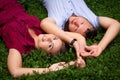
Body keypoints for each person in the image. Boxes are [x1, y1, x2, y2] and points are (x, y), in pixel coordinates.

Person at [0, 0, 88, 78]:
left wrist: (50, 69)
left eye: (50, 45)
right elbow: (79, 37)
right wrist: (79, 52)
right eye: (54, 37)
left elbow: (15, 71)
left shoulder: (20, 45)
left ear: (45, 54)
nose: (49, 38)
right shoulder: (43, 29)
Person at [40, 0, 120, 58]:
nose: (77, 22)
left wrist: (74, 41)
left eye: (76, 28)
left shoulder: (58, 24)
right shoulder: (92, 20)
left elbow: (44, 23)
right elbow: (115, 24)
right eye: (82, 23)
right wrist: (101, 47)